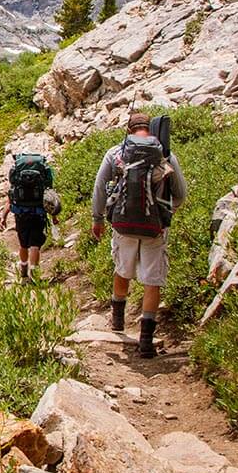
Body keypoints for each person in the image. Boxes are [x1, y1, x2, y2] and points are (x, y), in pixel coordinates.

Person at [90, 112, 188, 358]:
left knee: (122, 269)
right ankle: (146, 341)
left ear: (129, 128)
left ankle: (118, 321)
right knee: (152, 279)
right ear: (150, 129)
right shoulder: (165, 155)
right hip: (155, 228)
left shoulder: (116, 153)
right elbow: (181, 194)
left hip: (123, 225)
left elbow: (100, 187)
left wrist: (97, 218)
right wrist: (164, 212)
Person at [0, 152, 57, 281]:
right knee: (35, 244)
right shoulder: (42, 175)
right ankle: (34, 276)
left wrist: (3, 217)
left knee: (23, 244)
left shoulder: (18, 181)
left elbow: (10, 200)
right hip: (39, 213)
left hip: (21, 214)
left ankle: (24, 273)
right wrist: (54, 216)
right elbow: (51, 197)